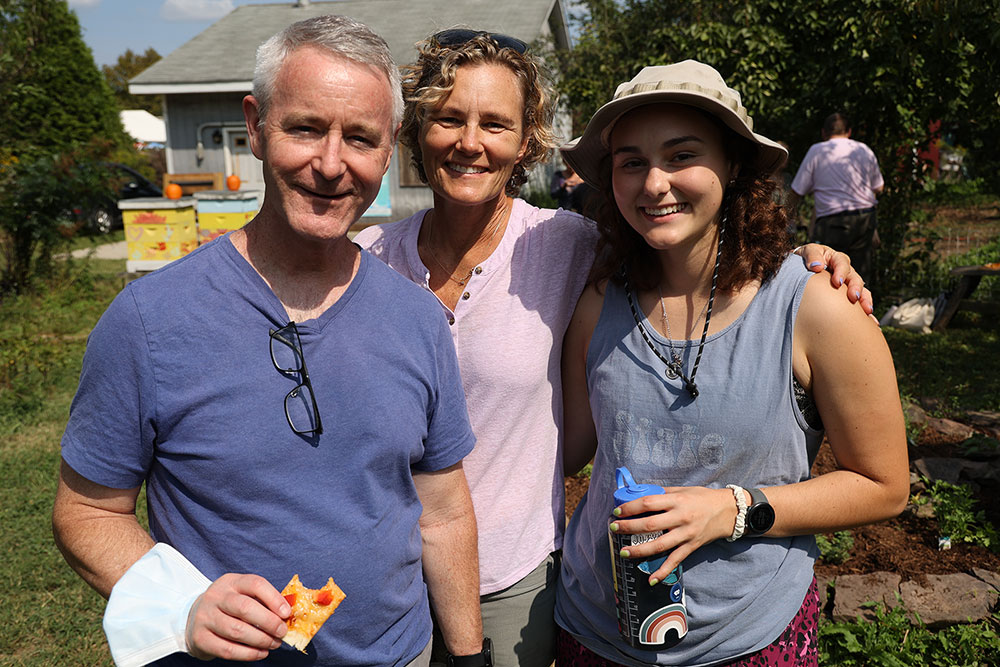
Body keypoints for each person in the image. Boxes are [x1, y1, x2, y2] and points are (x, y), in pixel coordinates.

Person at [355, 33, 871, 667]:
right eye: (448, 118)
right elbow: (575, 442)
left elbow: (880, 480)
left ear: (525, 142)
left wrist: (813, 262)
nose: (655, 184)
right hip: (413, 581)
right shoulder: (369, 263)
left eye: (495, 122)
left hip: (534, 585)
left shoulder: (566, 247)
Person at [51, 15, 487, 666]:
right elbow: (87, 511)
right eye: (306, 128)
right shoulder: (150, 320)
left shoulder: (417, 318)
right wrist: (182, 605)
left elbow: (444, 513)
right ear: (255, 125)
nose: (331, 164)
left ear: (389, 148)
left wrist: (469, 653)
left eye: (361, 138)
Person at [556, 61, 909, 666]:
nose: (654, 183)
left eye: (681, 154)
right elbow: (566, 452)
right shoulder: (598, 300)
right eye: (631, 161)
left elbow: (884, 486)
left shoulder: (815, 306)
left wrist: (732, 508)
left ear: (734, 165)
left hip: (746, 640)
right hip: (595, 633)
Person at [788, 112, 885, 285]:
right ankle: (861, 310)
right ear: (849, 132)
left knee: (830, 275)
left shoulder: (817, 151)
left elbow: (797, 190)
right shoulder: (863, 149)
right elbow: (879, 187)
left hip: (833, 223)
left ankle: (831, 309)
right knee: (860, 276)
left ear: (824, 133)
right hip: (865, 220)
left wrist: (786, 219)